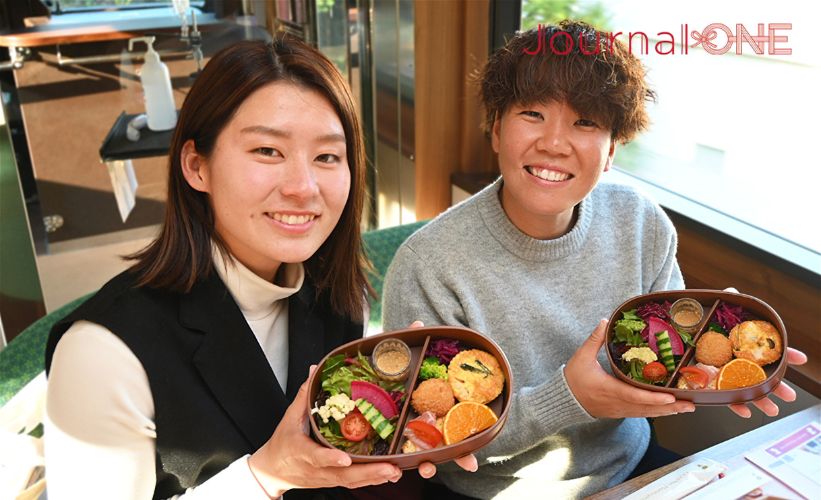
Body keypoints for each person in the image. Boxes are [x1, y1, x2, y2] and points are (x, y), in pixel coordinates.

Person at [382, 21, 807, 499]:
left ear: (610, 151)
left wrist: (724, 356)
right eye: (532, 114)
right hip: (492, 490)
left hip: (631, 466)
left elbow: (665, 354)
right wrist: (569, 399)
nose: (555, 143)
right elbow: (430, 436)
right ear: (496, 129)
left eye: (585, 122)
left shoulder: (639, 222)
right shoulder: (428, 264)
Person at [43, 37, 474, 499]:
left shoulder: (332, 292)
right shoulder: (102, 353)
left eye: (327, 156)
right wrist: (266, 474)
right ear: (196, 166)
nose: (303, 187)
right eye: (268, 151)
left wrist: (395, 426)